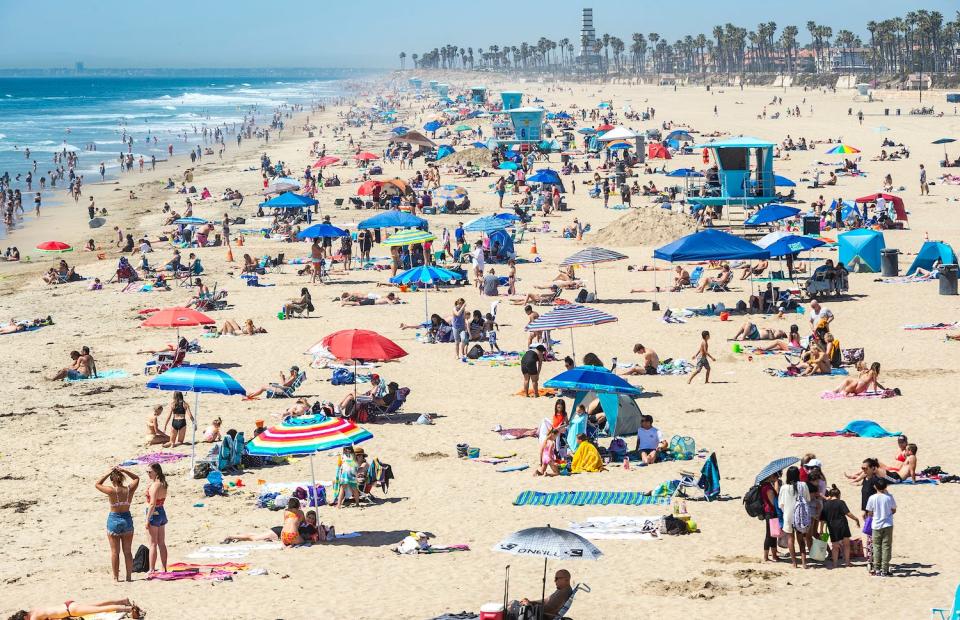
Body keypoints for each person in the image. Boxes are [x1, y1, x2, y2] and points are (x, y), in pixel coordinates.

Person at [95, 467, 139, 582]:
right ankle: (129, 577)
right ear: (122, 478)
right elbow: (136, 478)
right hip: (126, 519)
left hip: (114, 519)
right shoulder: (129, 490)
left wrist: (108, 472)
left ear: (112, 480)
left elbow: (97, 484)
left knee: (115, 552)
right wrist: (124, 470)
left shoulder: (111, 491)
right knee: (127, 551)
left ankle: (116, 578)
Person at [820, 485, 860, 568]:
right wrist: (856, 519)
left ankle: (835, 564)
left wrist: (821, 530)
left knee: (835, 546)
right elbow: (848, 513)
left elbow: (822, 520)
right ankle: (847, 562)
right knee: (846, 544)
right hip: (842, 525)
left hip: (832, 527)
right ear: (838, 495)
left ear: (830, 496)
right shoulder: (841, 502)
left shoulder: (826, 505)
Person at [509, 569, 573, 620]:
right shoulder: (561, 589)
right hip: (538, 613)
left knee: (512, 607)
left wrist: (529, 605)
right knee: (514, 603)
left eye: (557, 578)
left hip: (539, 616)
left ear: (566, 579)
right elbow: (546, 600)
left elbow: (549, 609)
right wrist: (531, 601)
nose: (554, 581)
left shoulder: (564, 593)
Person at [778, 466, 810, 568]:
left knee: (790, 539)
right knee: (801, 540)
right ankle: (804, 563)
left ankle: (794, 563)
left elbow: (781, 504)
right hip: (800, 516)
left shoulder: (784, 488)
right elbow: (807, 499)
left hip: (788, 516)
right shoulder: (803, 485)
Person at [865, 478, 896, 576]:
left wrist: (874, 515)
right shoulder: (889, 497)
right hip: (888, 524)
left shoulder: (872, 498)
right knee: (886, 547)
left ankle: (877, 568)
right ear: (886, 487)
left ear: (875, 487)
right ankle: (884, 569)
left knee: (877, 546)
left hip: (876, 525)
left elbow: (869, 512)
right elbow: (894, 509)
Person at [9, 599, 144, 620]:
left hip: (70, 611)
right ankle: (122, 600)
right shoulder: (33, 610)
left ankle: (127, 608)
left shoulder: (32, 618)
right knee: (96, 606)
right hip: (68, 605)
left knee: (99, 610)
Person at [144, 463, 169, 573]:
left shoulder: (155, 485)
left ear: (156, 472)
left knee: (153, 543)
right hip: (162, 511)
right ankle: (164, 567)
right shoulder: (163, 483)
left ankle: (151, 569)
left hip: (154, 513)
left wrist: (147, 519)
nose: (148, 474)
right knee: (161, 542)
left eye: (150, 472)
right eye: (147, 472)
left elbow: (152, 504)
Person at [760, 473, 780, 562]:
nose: (777, 478)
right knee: (769, 535)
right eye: (775, 476)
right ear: (770, 476)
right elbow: (773, 503)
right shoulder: (768, 488)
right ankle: (765, 557)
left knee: (774, 534)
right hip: (771, 513)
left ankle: (774, 555)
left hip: (770, 512)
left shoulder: (765, 485)